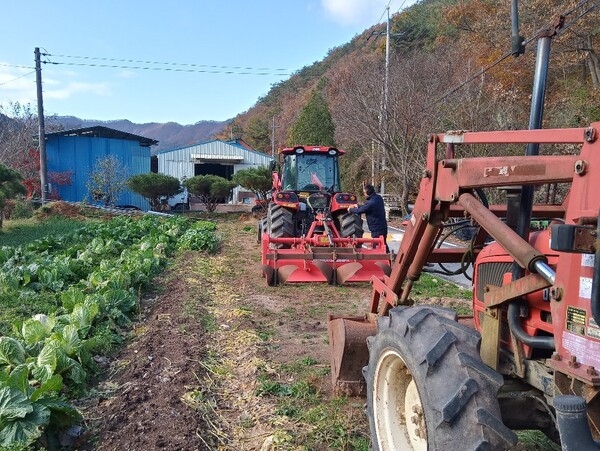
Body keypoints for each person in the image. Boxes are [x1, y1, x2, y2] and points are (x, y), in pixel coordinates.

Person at [349, 184, 390, 253]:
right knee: (383, 244)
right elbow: (367, 207)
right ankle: (388, 258)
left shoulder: (371, 203)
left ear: (367, 193)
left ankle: (380, 260)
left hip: (376, 229)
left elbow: (361, 210)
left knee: (377, 246)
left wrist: (350, 210)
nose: (364, 194)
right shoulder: (378, 198)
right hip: (382, 227)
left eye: (364, 193)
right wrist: (358, 206)